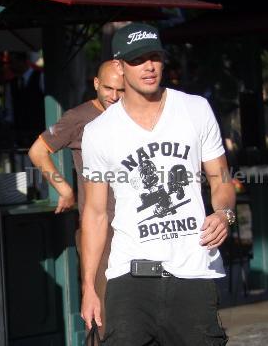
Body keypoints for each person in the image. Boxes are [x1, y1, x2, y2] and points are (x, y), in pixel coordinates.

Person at [80, 23, 235, 345]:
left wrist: (224, 215)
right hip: (130, 277)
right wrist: (89, 288)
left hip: (192, 270)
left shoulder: (195, 109)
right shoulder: (98, 131)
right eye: (138, 60)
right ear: (119, 67)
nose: (149, 66)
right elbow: (95, 214)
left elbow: (221, 179)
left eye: (155, 57)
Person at [28, 60, 124, 324]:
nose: (114, 96)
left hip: (135, 227)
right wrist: (64, 188)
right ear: (95, 84)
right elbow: (37, 152)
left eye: (121, 89)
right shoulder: (79, 117)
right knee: (103, 315)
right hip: (100, 229)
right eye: (108, 88)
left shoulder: (132, 115)